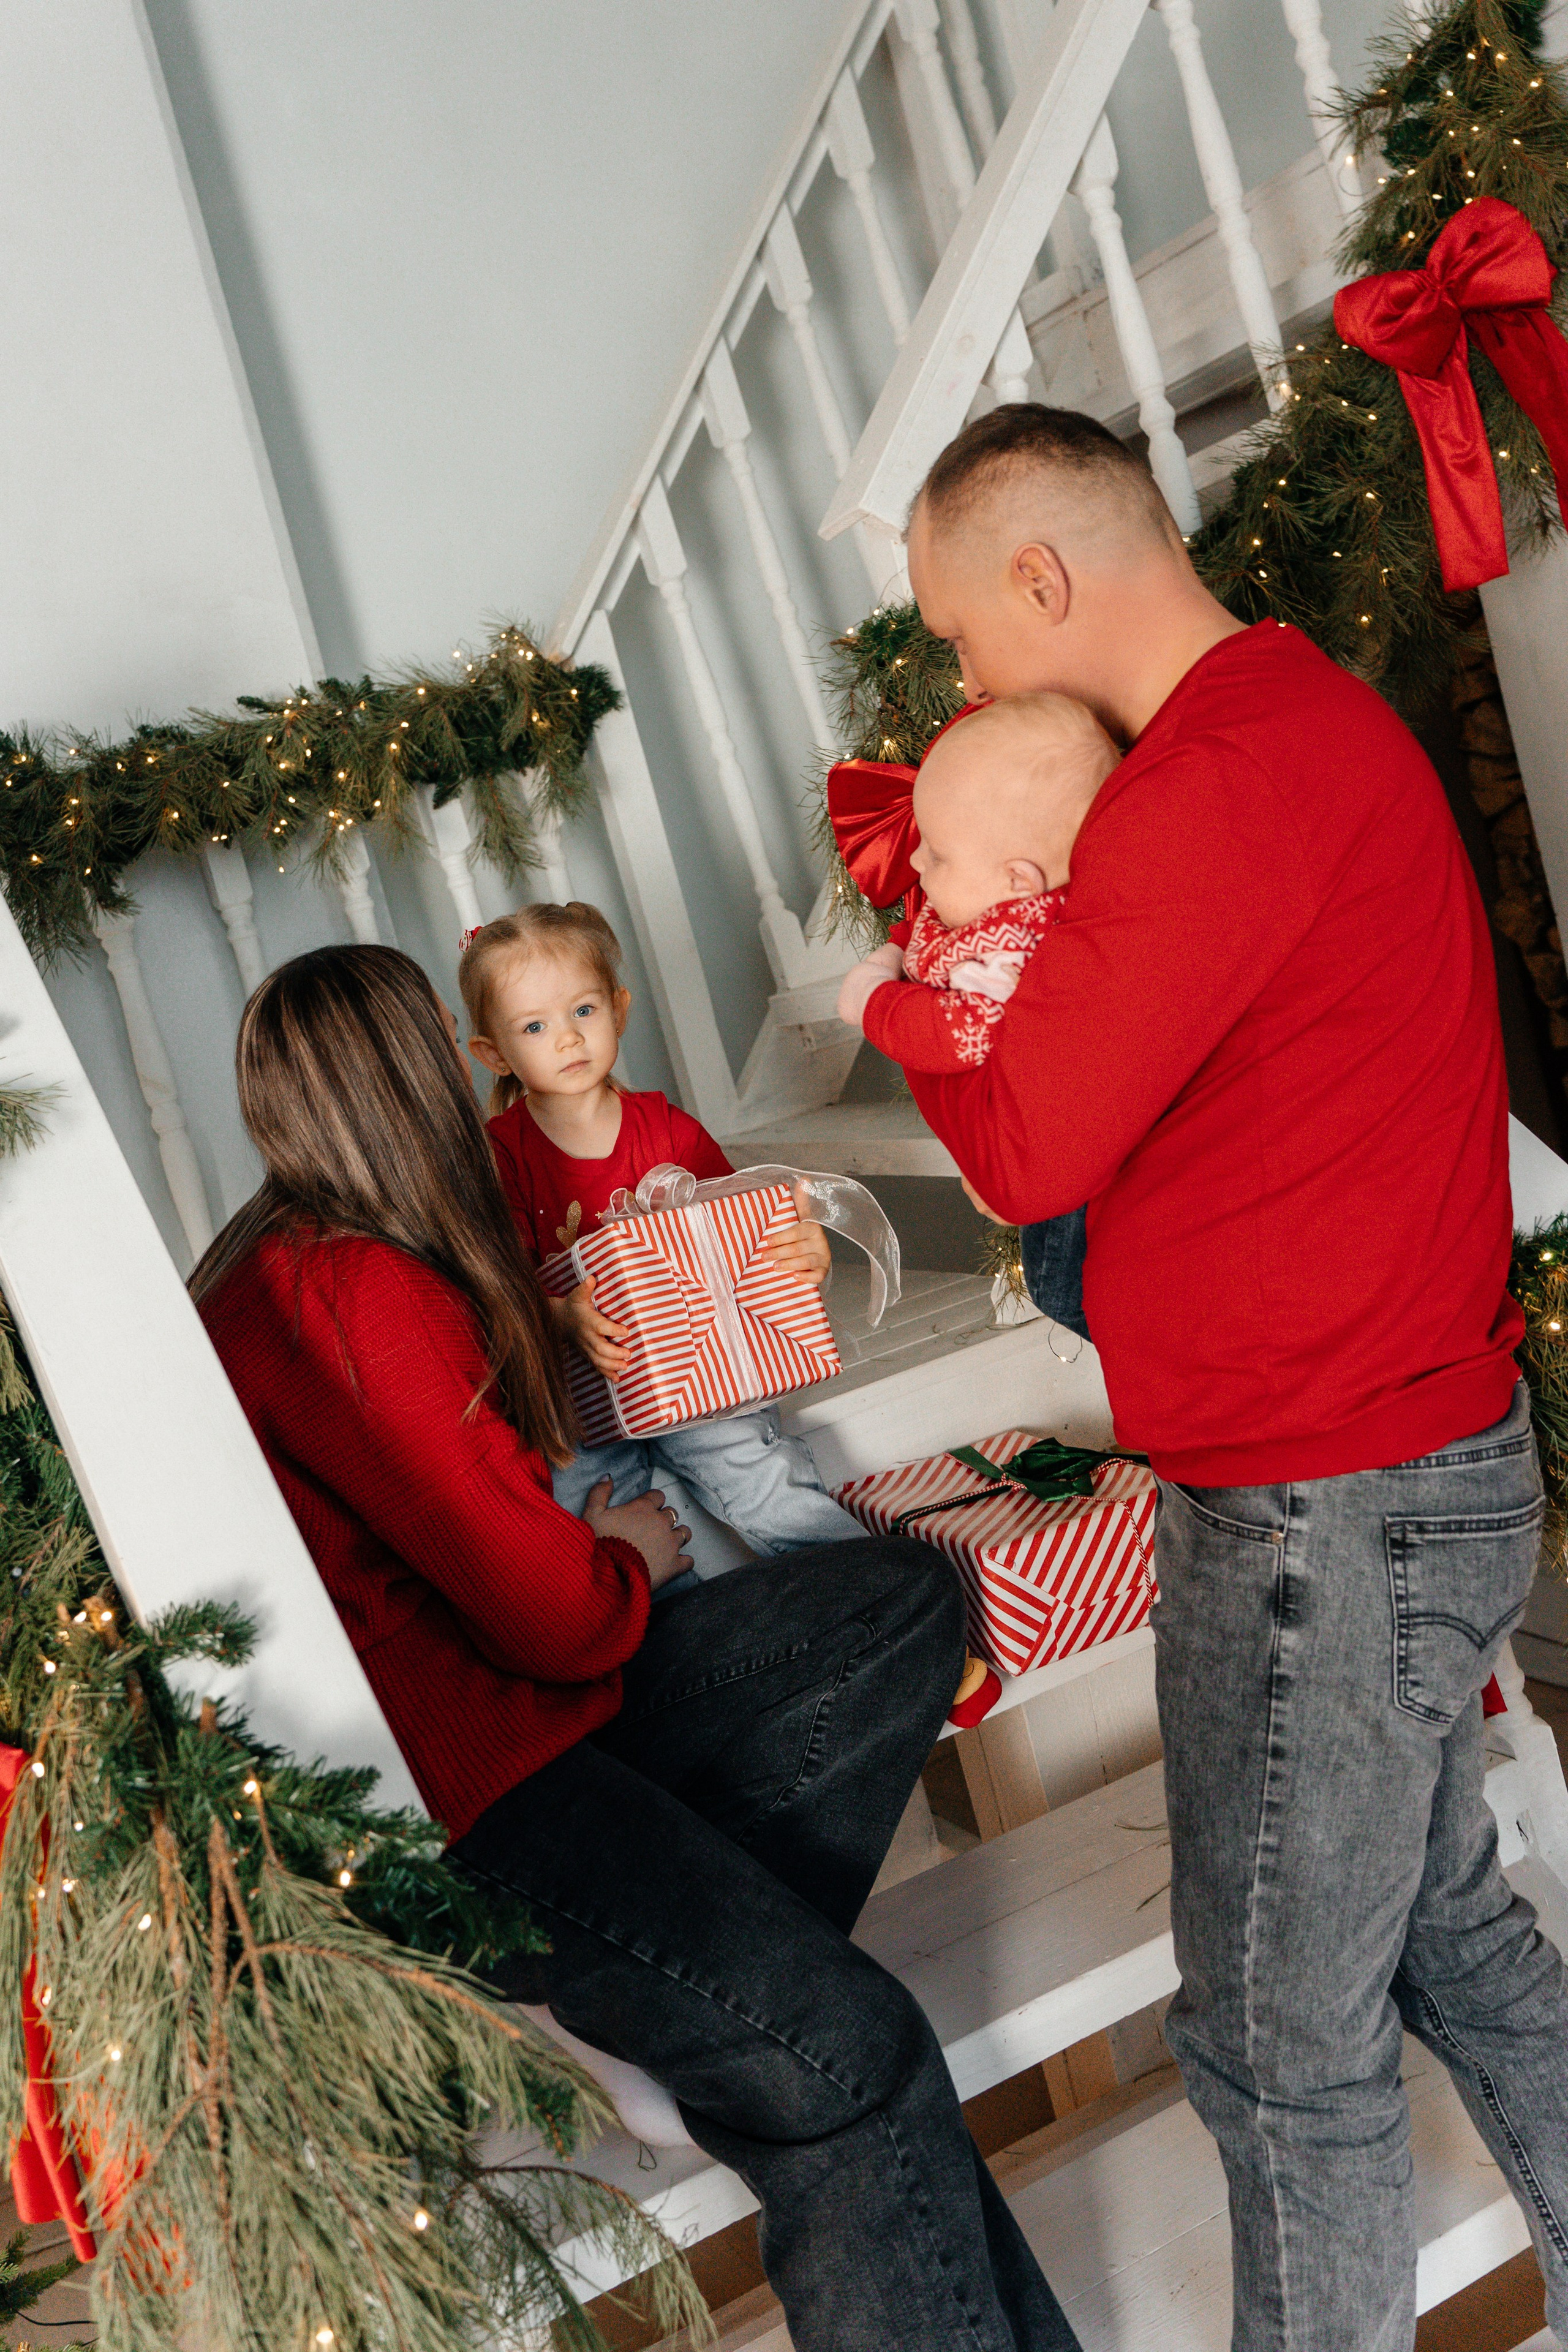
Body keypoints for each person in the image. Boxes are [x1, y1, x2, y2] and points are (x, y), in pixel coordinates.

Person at [882, 402, 1568, 2352]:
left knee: (1278, 2046)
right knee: (1453, 1939)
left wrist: (928, 970)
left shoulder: (1210, 785)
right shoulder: (1292, 728)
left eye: (954, 636)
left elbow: (1022, 1149)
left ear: (1038, 574)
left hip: (1315, 1514)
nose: (961, 679)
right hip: (1409, 1463)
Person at [192, 943, 1082, 2352]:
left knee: (899, 1596)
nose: (469, 1067)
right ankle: (658, 1999)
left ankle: (647, 2006)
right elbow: (547, 1614)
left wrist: (752, 1234)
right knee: (845, 2055)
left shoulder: (283, 1262)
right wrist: (629, 1564)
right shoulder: (359, 1291)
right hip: (481, 1785)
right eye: (444, 1041)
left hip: (514, 1725)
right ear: (403, 1076)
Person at [459, 901, 867, 1561]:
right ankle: (668, 1639)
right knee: (585, 1512)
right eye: (534, 1026)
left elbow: (743, 1229)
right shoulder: (500, 1155)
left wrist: (800, 1246)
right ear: (493, 1053)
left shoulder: (665, 1128)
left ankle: (875, 1592)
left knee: (757, 1472)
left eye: (583, 1012)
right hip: (577, 1394)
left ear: (619, 1010)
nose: (566, 1038)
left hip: (698, 1370)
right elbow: (491, 1285)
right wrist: (561, 1317)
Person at [828, 694, 1112, 1337]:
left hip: (1063, 1161)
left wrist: (876, 1002)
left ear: (1017, 879)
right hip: (1024, 1147)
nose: (918, 862)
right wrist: (893, 951)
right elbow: (924, 934)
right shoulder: (988, 910)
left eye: (939, 853)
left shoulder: (1012, 954)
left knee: (1064, 1288)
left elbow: (959, 1033)